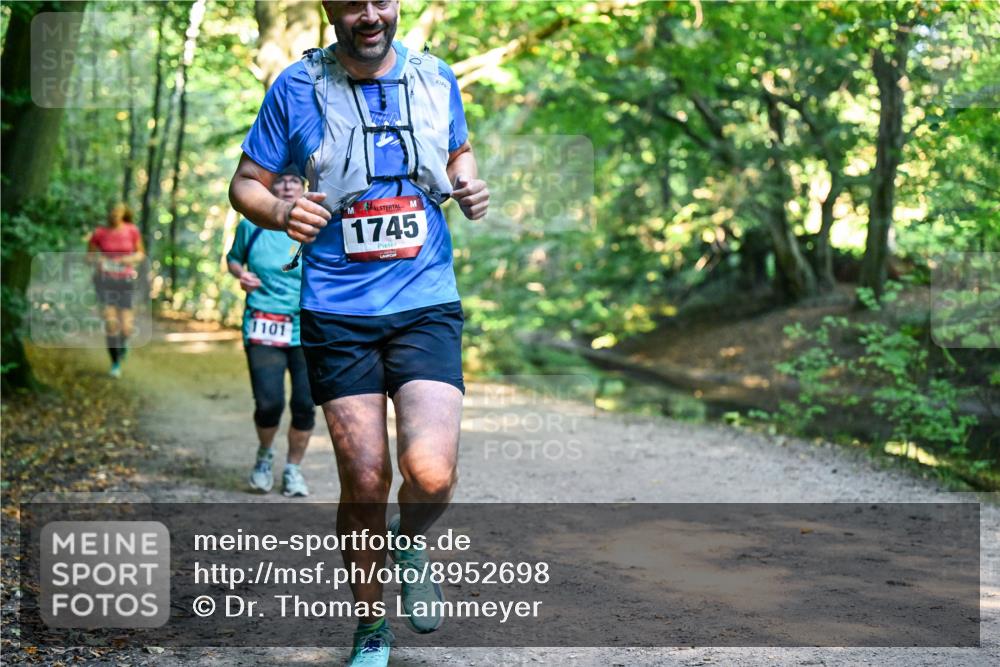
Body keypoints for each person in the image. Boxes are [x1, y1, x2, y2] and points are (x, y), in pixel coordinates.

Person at [228, 2, 488, 664]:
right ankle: (371, 626)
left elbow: (457, 149)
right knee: (366, 478)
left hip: (426, 301)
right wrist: (281, 210)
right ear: (327, 8)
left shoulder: (434, 76)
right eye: (352, 2)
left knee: (431, 474)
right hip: (337, 312)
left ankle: (409, 536)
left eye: (381, 1)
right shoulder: (296, 86)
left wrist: (466, 182)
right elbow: (247, 183)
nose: (369, 15)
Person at [226, 165, 316, 497]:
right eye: (282, 181)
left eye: (295, 181)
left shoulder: (315, 225)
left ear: (304, 188)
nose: (288, 186)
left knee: (305, 404)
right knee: (269, 403)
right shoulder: (251, 225)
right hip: (263, 324)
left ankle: (293, 469)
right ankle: (264, 458)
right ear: (271, 188)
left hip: (306, 329)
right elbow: (234, 259)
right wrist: (241, 275)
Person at [87, 203, 144, 378]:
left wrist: (128, 259)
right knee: (111, 324)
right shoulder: (99, 233)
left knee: (126, 328)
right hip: (104, 281)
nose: (115, 215)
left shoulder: (132, 230)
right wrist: (98, 260)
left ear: (123, 213)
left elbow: (140, 254)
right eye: (112, 211)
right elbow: (89, 257)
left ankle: (123, 344)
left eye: (118, 212)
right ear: (108, 213)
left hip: (125, 281)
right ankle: (115, 362)